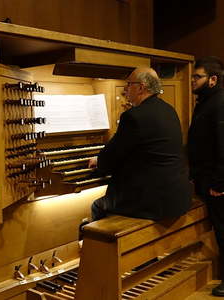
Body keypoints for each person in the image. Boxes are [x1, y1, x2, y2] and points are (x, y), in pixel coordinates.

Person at [88, 67, 191, 221]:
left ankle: (92, 244)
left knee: (97, 205)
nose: (125, 89)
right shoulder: (169, 110)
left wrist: (99, 162)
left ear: (141, 87)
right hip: (176, 194)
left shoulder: (133, 116)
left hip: (152, 201)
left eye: (129, 84)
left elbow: (110, 159)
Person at [187, 56, 224, 297]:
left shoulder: (219, 103)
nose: (192, 81)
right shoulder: (207, 101)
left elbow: (223, 146)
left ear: (212, 79)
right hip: (207, 178)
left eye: (196, 77)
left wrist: (220, 183)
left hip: (216, 181)